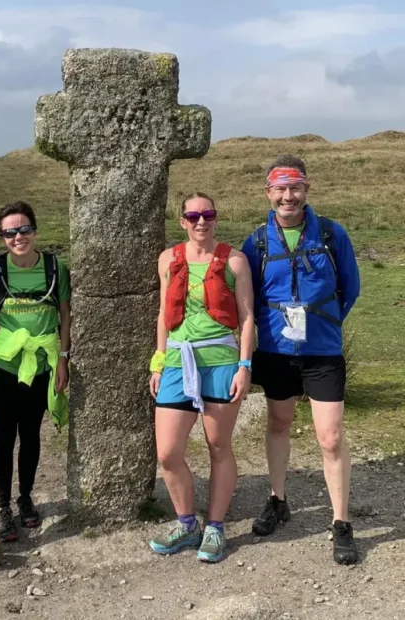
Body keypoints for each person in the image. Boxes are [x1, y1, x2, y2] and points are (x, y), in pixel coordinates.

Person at [240, 155, 362, 565]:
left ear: (306, 190)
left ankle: (341, 523)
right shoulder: (256, 242)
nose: (287, 196)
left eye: (295, 188)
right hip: (276, 351)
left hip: (322, 352)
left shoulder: (331, 234)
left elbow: (351, 287)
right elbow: (247, 300)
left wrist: (323, 323)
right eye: (280, 189)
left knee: (330, 437)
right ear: (268, 192)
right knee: (278, 424)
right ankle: (278, 501)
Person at [148, 192, 255, 563]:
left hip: (221, 363)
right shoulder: (168, 259)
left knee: (219, 446)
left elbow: (246, 318)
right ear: (182, 221)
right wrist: (158, 363)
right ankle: (186, 522)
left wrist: (245, 366)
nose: (200, 221)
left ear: (215, 218)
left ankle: (215, 526)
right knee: (168, 452)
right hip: (178, 361)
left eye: (207, 214)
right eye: (192, 215)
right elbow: (164, 314)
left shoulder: (235, 260)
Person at [0, 201, 71, 543]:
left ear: (34, 230)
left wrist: (64, 358)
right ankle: (2, 509)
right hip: (4, 366)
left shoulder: (56, 268)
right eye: (9, 232)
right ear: (2, 237)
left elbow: (66, 314)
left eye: (24, 229)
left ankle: (25, 499)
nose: (18, 237)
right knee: (3, 436)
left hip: (41, 365)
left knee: (31, 435)